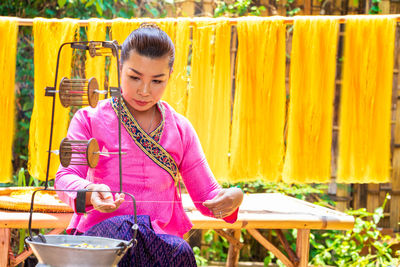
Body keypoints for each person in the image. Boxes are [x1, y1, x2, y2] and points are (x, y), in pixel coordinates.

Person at [55, 22, 243, 266]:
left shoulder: (181, 129)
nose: (144, 90)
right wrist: (91, 192)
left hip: (161, 244)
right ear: (119, 67)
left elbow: (208, 197)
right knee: (124, 233)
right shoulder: (89, 119)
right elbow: (65, 178)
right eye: (134, 77)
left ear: (169, 77)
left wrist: (233, 197)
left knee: (180, 252)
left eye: (157, 81)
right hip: (102, 241)